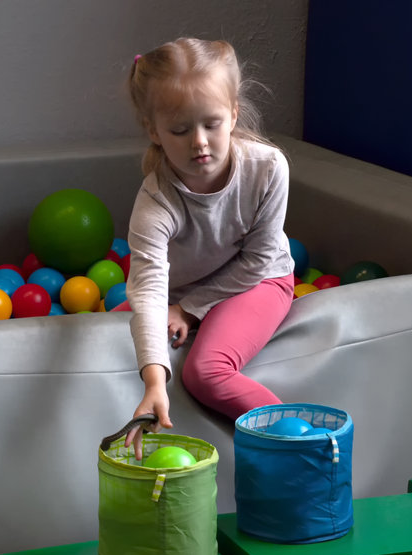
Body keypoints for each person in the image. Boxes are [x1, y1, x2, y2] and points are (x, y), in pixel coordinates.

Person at [118, 37, 295, 458]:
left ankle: (296, 439)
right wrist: (154, 382)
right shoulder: (155, 202)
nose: (199, 142)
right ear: (154, 131)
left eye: (211, 124)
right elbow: (147, 292)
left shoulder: (268, 168)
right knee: (107, 333)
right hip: (182, 291)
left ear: (233, 114)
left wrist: (190, 308)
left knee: (205, 371)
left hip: (261, 279)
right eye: (180, 130)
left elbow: (257, 259)